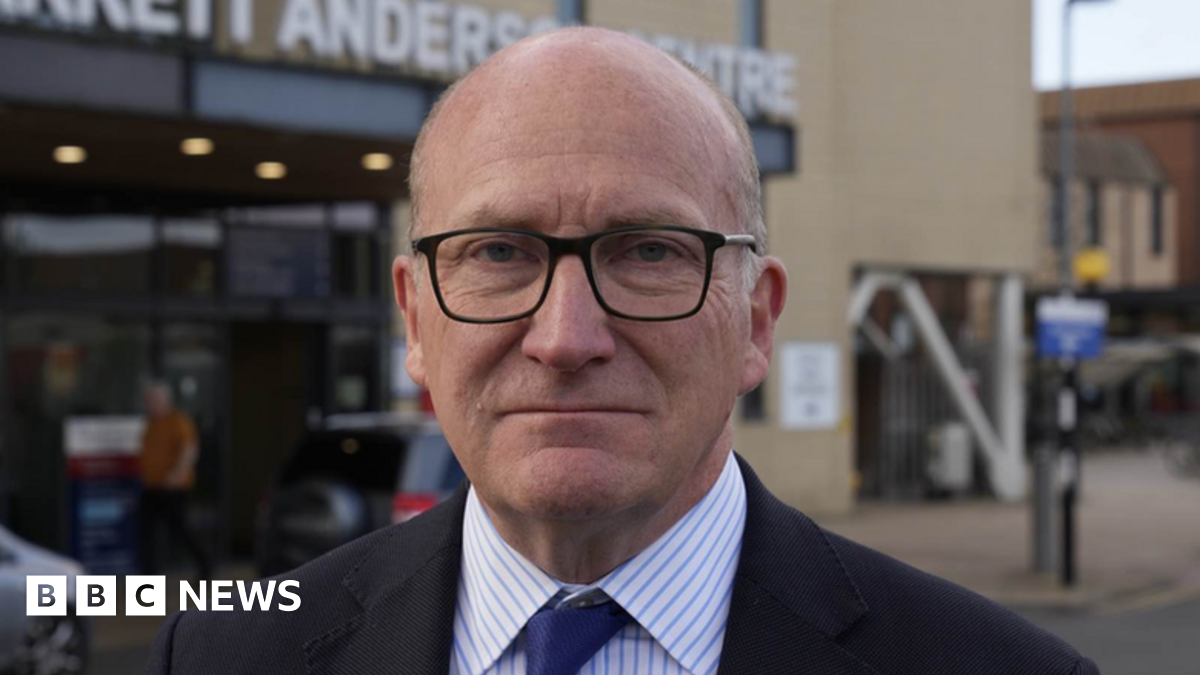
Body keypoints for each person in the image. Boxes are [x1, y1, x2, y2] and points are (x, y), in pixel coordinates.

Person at [147, 27, 1098, 675]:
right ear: (415, 321)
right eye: (498, 253)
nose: (565, 338)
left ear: (756, 321)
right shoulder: (226, 655)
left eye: (648, 252)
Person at [139, 380, 211, 581]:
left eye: (154, 399)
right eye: (148, 400)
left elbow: (189, 450)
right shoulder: (151, 423)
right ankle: (149, 579)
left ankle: (205, 565)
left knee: (180, 531)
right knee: (146, 533)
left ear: (165, 400)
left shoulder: (178, 420)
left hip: (173, 488)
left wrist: (176, 474)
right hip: (151, 487)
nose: (150, 403)